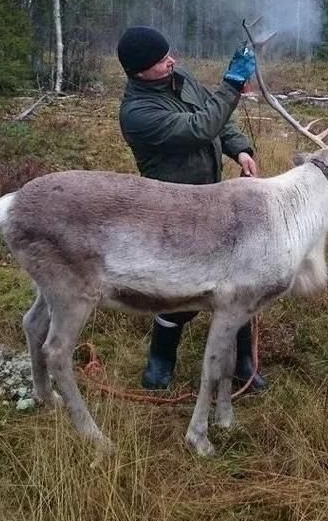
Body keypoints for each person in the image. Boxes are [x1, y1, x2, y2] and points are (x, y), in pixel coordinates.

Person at [117, 24, 266, 391]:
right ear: (139, 70)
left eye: (169, 54)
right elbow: (201, 127)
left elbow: (218, 121)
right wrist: (231, 84)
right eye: (161, 60)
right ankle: (161, 360)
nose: (172, 61)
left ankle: (243, 364)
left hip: (215, 197)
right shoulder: (137, 113)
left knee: (238, 281)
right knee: (180, 289)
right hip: (174, 209)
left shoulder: (178, 77)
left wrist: (240, 149)